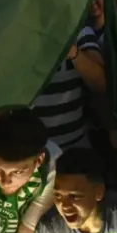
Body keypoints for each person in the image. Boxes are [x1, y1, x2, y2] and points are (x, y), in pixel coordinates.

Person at [29, 25, 105, 153]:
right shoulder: (17, 34)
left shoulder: (79, 31)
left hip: (75, 147)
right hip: (30, 152)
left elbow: (101, 84)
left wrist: (72, 52)